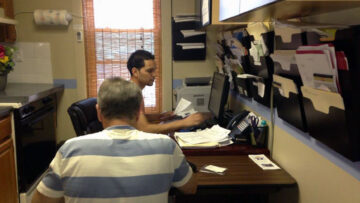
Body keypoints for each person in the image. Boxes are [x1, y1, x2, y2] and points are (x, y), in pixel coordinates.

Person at [31, 78, 197, 203]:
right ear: (139, 111)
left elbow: (39, 201)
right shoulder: (166, 146)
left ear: (99, 112)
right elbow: (190, 189)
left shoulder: (69, 149)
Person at [128, 50, 210, 134]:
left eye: (154, 70)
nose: (154, 74)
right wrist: (184, 122)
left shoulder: (132, 89)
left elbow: (137, 118)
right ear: (135, 72)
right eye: (149, 71)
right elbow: (144, 128)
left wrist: (160, 117)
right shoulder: (131, 94)